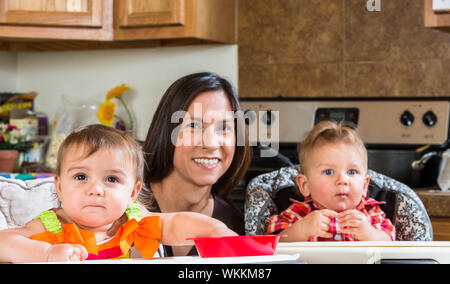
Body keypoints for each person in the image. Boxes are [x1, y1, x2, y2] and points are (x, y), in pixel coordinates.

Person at [0, 124, 237, 263]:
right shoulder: (52, 227)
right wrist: (47, 254)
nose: (95, 189)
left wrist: (213, 229)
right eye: (81, 177)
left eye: (111, 179)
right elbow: (4, 242)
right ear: (60, 187)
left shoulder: (133, 220)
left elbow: (174, 223)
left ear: (133, 191)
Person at [140, 72, 252, 256]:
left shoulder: (235, 226)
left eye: (224, 128)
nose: (211, 143)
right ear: (167, 131)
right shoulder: (123, 204)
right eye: (194, 126)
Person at [267, 121, 395, 242]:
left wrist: (369, 233)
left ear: (364, 185)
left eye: (351, 172)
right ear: (305, 185)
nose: (342, 180)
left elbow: (391, 244)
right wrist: (302, 230)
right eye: (328, 172)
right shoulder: (297, 214)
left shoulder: (371, 213)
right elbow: (274, 244)